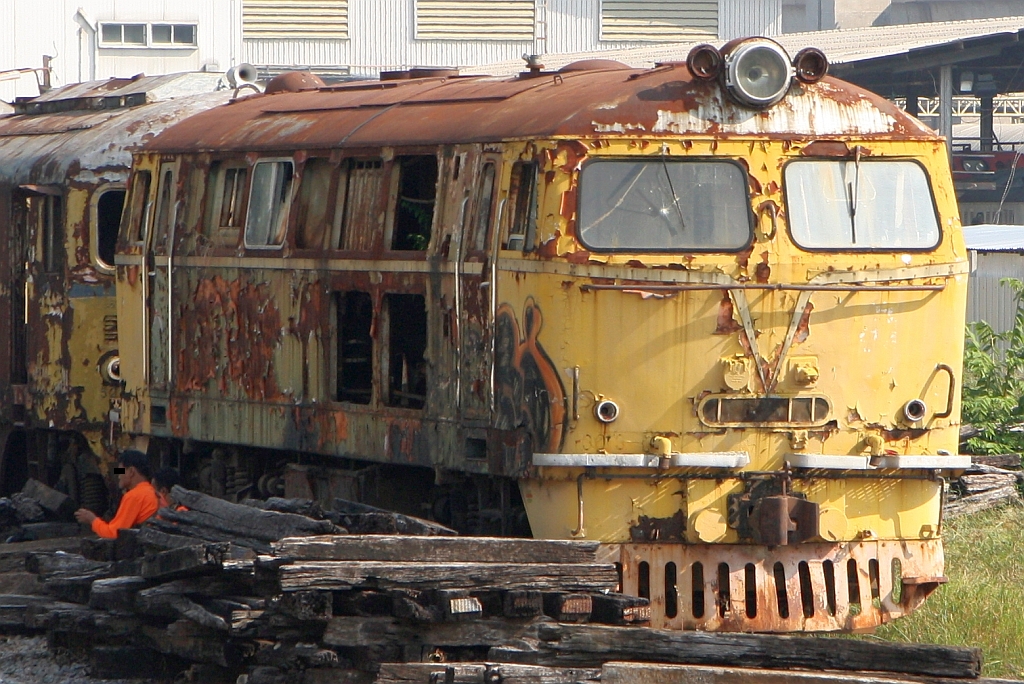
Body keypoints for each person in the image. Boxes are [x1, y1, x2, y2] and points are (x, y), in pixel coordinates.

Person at [74, 450, 158, 538]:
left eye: (120, 471)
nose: (118, 475)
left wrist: (92, 520)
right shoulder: (150, 491)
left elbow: (114, 533)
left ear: (131, 471)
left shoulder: (134, 496)